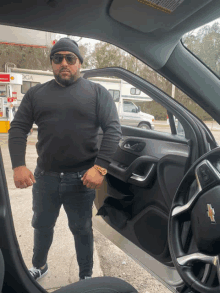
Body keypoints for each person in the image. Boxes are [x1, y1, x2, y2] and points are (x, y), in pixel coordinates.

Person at [8, 38, 122, 282]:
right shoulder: (36, 94)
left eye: (70, 58)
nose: (64, 63)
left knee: (82, 229)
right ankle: (39, 265)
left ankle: (86, 276)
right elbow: (18, 128)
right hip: (45, 178)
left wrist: (100, 168)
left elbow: (113, 130)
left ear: (79, 62)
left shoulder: (96, 93)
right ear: (51, 63)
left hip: (82, 180)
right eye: (57, 58)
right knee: (41, 225)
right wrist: (18, 165)